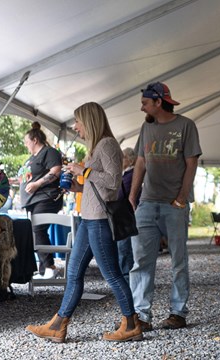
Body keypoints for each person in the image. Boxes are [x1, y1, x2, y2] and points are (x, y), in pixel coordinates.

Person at [26, 102, 143, 343]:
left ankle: (131, 324)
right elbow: (94, 186)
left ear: (89, 121)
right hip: (89, 219)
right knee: (74, 272)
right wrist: (75, 185)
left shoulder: (108, 145)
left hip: (99, 221)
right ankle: (58, 325)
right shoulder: (96, 147)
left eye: (78, 121)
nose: (75, 126)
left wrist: (84, 171)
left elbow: (113, 181)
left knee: (111, 274)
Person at [128, 82, 202, 331]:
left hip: (174, 204)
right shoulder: (146, 127)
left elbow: (191, 164)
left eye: (145, 103)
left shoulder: (185, 126)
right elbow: (140, 162)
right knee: (141, 260)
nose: (142, 108)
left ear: (159, 102)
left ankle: (178, 313)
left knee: (178, 260)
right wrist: (132, 194)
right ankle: (141, 315)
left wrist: (182, 197)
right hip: (147, 202)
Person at [18, 122, 63, 280]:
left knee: (37, 230)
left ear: (35, 139)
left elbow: (56, 171)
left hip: (46, 198)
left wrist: (37, 184)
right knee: (36, 231)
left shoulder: (49, 152)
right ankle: (44, 269)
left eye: (27, 141)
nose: (25, 144)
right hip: (33, 200)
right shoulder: (32, 158)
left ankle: (50, 267)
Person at [117, 147, 137, 281]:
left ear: (130, 160)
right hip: (124, 214)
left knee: (124, 247)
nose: (120, 160)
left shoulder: (131, 175)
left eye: (123, 157)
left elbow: (119, 194)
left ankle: (126, 277)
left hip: (127, 215)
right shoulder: (126, 174)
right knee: (123, 247)